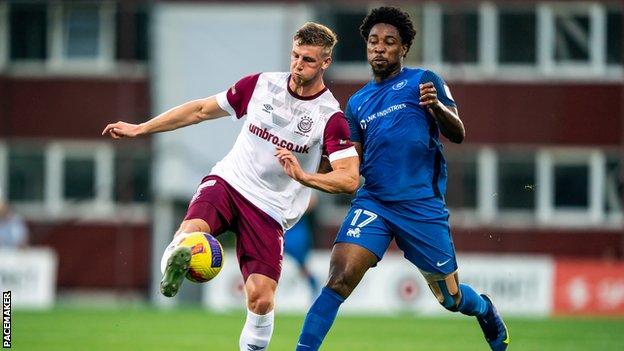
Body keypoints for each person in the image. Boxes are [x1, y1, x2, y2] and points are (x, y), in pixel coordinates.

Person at [103, 22, 359, 351]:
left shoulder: (329, 116)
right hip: (229, 181)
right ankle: (177, 259)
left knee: (261, 299)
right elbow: (199, 110)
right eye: (295, 55)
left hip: (270, 209)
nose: (297, 64)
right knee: (193, 230)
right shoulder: (261, 85)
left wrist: (304, 177)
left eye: (308, 60)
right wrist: (141, 128)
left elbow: (349, 177)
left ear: (325, 62)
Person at [295, 7, 509, 351]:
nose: (379, 48)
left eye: (389, 42)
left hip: (420, 205)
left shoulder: (424, 81)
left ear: (403, 48)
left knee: (451, 299)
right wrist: (317, 170)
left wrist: (436, 107)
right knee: (338, 280)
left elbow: (458, 133)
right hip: (375, 202)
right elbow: (352, 160)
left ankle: (483, 308)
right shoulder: (358, 103)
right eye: (374, 41)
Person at [284, 194, 319, 298]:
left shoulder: (301, 182)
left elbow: (313, 201)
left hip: (297, 231)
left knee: (302, 266)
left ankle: (314, 291)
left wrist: (296, 207)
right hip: (283, 230)